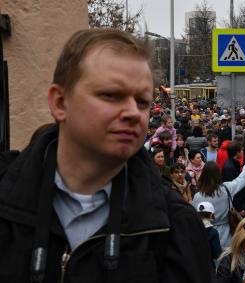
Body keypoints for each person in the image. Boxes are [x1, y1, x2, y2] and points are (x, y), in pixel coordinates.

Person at [0, 29, 214, 282]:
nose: (133, 113)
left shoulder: (174, 225)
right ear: (59, 102)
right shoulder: (6, 200)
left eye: (142, 102)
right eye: (111, 95)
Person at [193, 158, 245, 248]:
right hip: (227, 233)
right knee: (227, 258)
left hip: (207, 234)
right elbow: (242, 180)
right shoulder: (226, 189)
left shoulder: (197, 196)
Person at [196, 202, 222, 269]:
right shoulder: (213, 232)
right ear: (211, 215)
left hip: (192, 266)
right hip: (208, 267)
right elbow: (216, 254)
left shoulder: (190, 229)